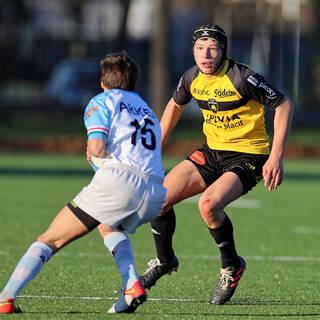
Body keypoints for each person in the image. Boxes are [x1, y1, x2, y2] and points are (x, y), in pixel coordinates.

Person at [0, 52, 167, 314]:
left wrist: (93, 154)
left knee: (51, 239)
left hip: (120, 182)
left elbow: (98, 147)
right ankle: (131, 284)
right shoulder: (147, 109)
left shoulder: (102, 101)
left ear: (103, 82)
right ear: (133, 82)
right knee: (107, 225)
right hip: (156, 191)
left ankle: (6, 297)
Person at [139, 24, 294, 305]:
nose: (205, 55)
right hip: (212, 152)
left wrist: (276, 155)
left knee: (208, 206)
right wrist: (155, 149)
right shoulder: (191, 77)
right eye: (200, 48)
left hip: (248, 156)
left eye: (212, 48)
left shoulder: (243, 77)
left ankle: (231, 266)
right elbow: (175, 105)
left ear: (223, 50)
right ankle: (164, 261)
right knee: (158, 199)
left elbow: (283, 104)